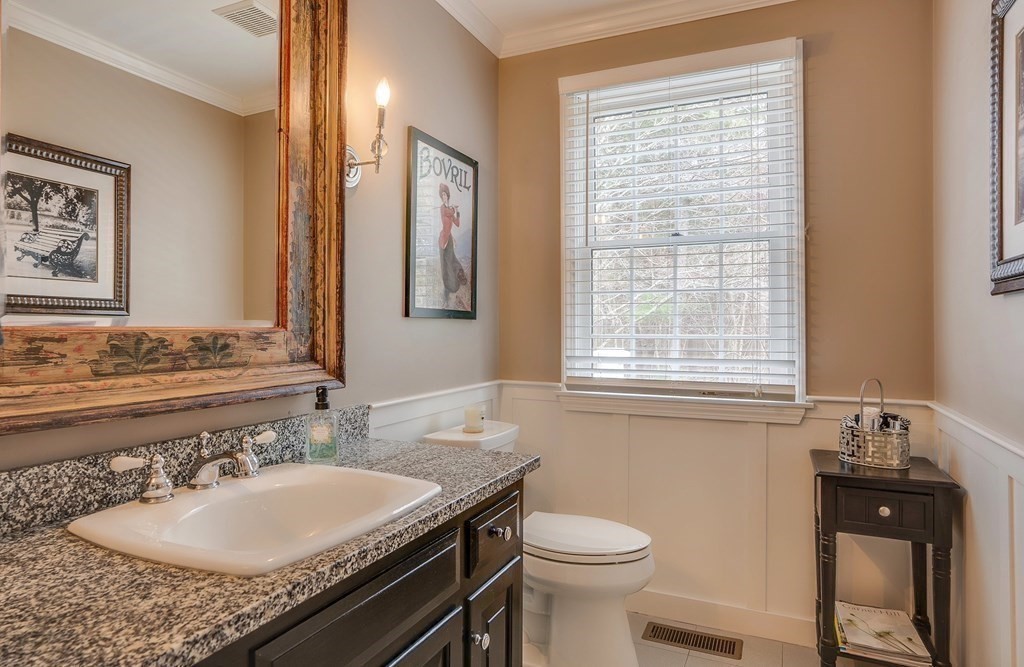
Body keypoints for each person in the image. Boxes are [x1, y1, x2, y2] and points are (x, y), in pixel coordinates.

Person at [437, 183, 467, 307]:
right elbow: (449, 213)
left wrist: (457, 211)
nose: (444, 197)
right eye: (442, 195)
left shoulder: (449, 210)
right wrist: (453, 208)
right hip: (443, 240)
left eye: (445, 195)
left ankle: (459, 276)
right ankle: (448, 288)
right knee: (446, 266)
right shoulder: (443, 208)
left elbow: (457, 223)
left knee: (452, 260)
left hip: (448, 238)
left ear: (448, 196)